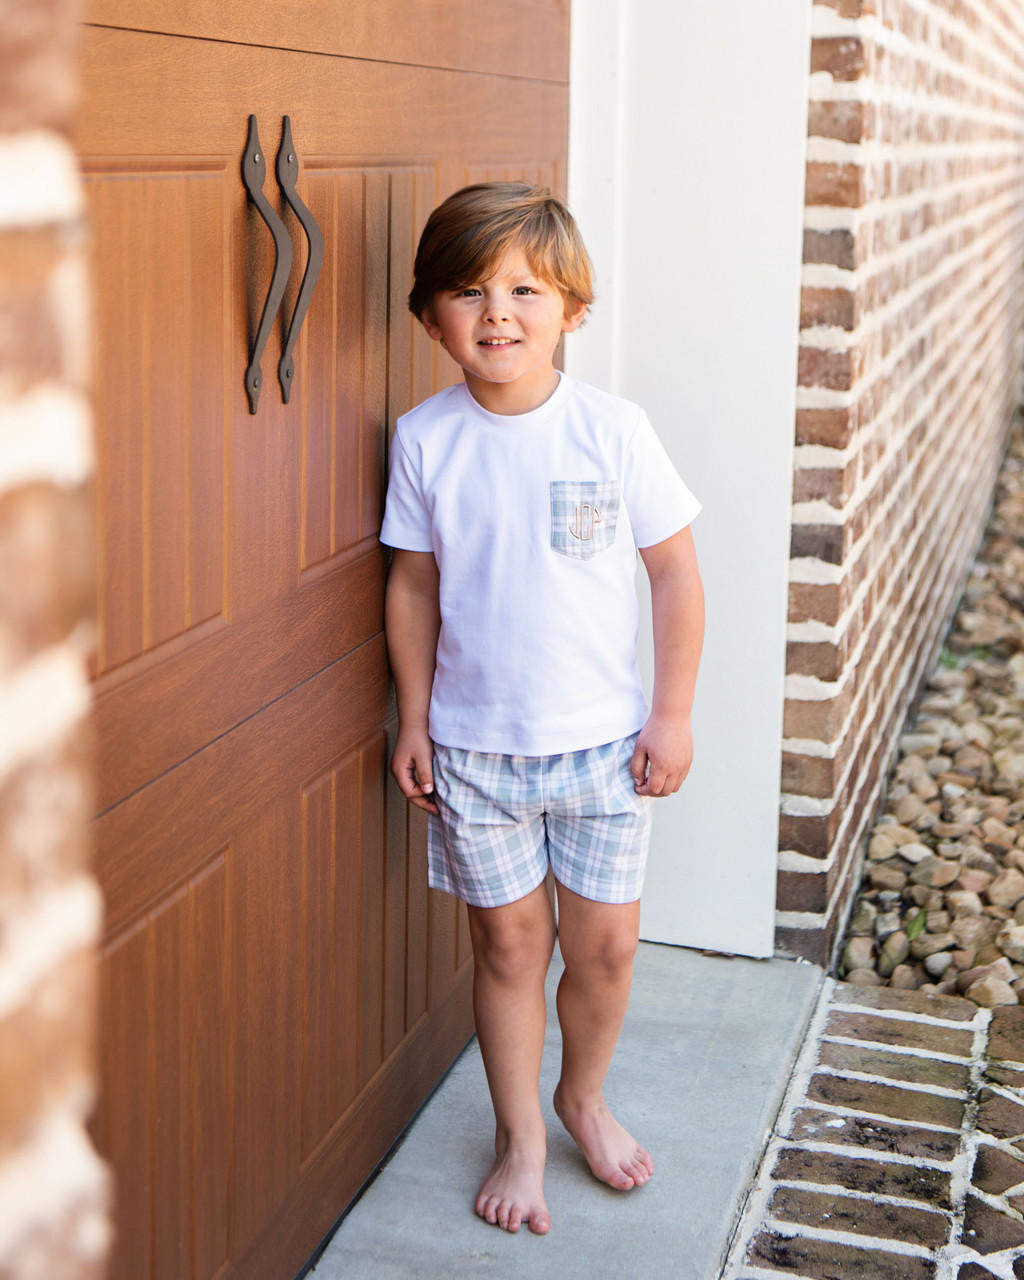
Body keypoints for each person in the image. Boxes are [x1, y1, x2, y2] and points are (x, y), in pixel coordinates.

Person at [380, 182, 705, 1236]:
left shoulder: (611, 430)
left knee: (603, 947)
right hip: (478, 753)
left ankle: (584, 1094)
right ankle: (521, 1130)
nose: (497, 312)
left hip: (607, 750)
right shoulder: (425, 438)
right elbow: (414, 586)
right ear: (431, 316)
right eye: (467, 290)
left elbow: (673, 575)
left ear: (573, 309)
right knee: (511, 949)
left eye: (525, 287)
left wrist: (672, 713)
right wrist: (415, 719)